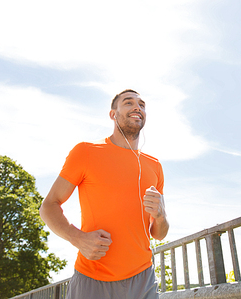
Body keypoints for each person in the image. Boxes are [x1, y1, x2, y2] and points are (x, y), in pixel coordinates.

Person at [40, 89, 169, 299]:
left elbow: (159, 233)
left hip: (143, 279)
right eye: (128, 103)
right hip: (92, 279)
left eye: (142, 104)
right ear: (113, 114)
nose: (137, 107)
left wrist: (161, 216)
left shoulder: (155, 166)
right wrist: (77, 238)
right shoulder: (86, 152)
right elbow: (48, 206)